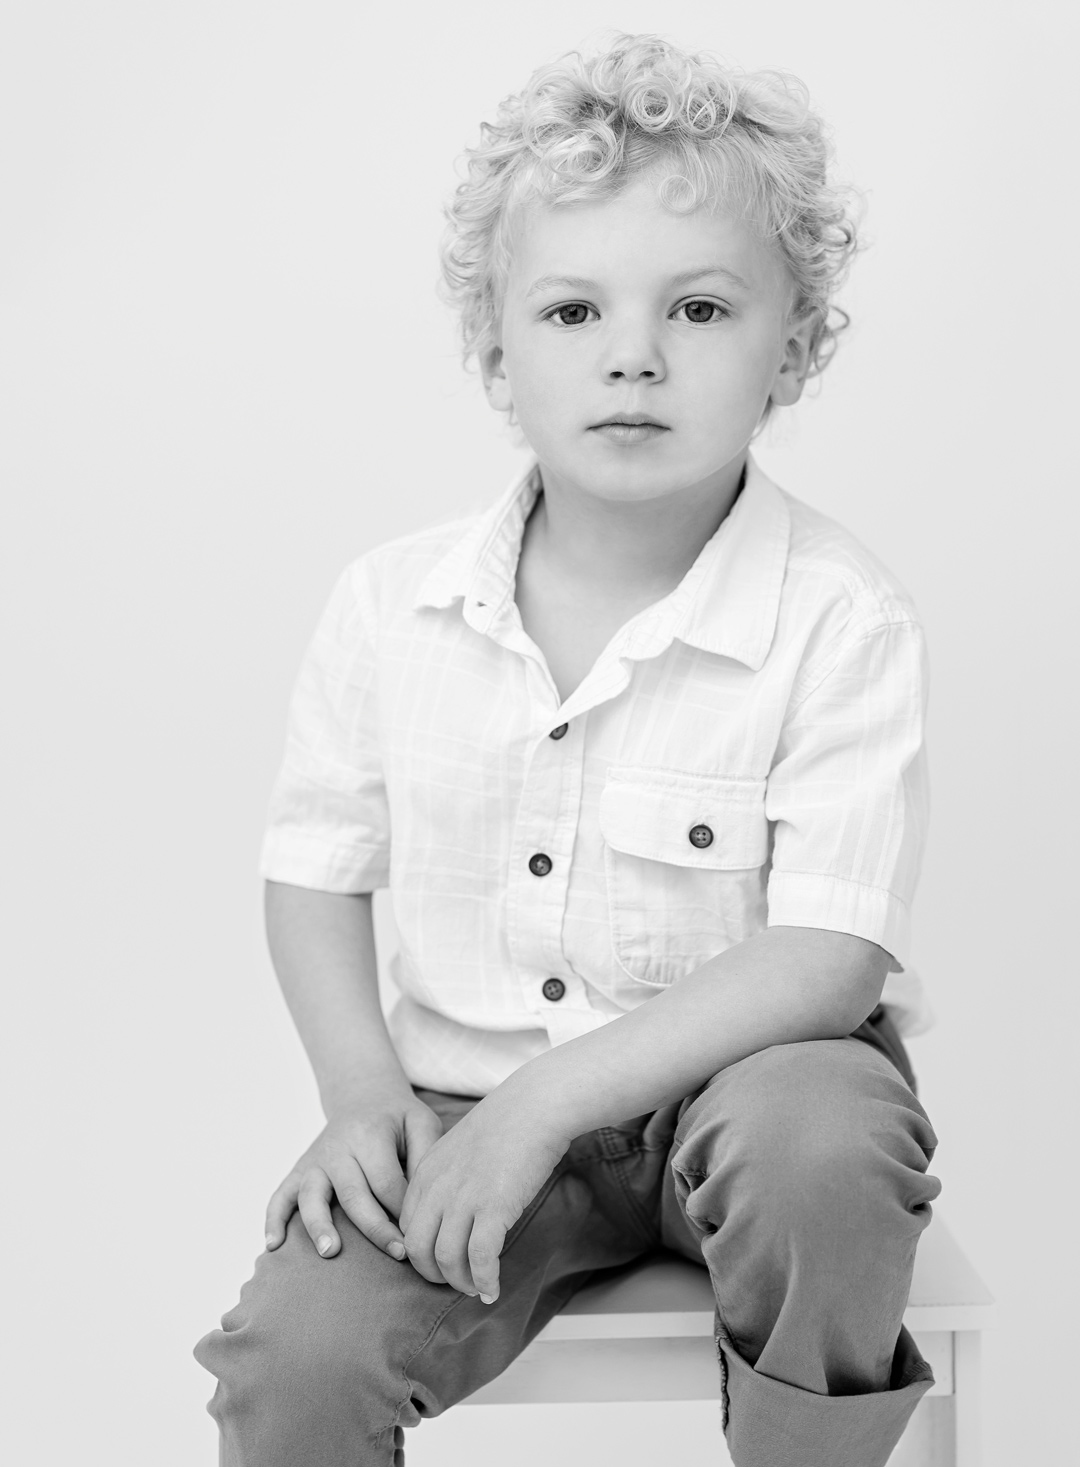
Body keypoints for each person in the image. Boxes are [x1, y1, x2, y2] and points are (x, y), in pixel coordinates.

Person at [194, 33, 942, 1467]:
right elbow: (315, 868)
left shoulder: (841, 617)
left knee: (822, 1148)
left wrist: (553, 1104)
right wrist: (364, 1099)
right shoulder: (389, 605)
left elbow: (829, 955)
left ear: (792, 345)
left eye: (702, 308)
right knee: (298, 1355)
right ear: (495, 346)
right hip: (464, 1107)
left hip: (751, 1090)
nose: (634, 356)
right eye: (573, 310)